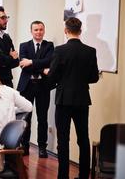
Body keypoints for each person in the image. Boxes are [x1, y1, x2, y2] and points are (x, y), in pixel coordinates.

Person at [46, 17, 99, 179]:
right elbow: (94, 77)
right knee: (83, 138)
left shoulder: (60, 50)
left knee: (63, 139)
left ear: (65, 31)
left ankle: (63, 176)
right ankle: (83, 175)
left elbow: (53, 76)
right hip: (82, 99)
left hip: (63, 100)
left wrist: (49, 73)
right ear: (80, 31)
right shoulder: (90, 51)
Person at [16, 20, 54, 158]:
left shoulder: (49, 46)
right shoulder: (24, 46)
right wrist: (42, 67)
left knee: (42, 119)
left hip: (43, 86)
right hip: (27, 86)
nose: (38, 32)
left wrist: (31, 62)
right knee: (26, 118)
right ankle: (24, 146)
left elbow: (50, 60)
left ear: (44, 30)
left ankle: (42, 148)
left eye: (41, 29)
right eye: (36, 30)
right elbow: (23, 64)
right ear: (31, 31)